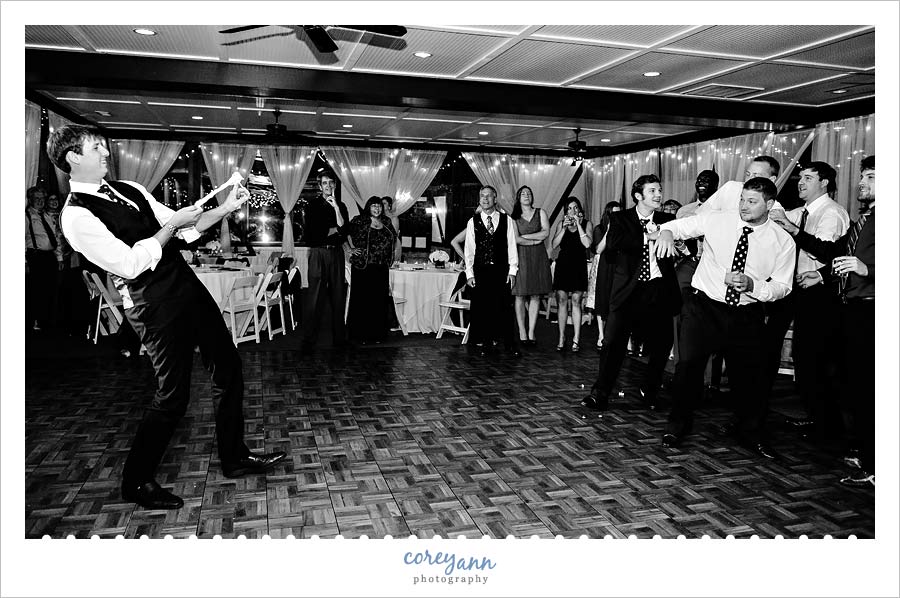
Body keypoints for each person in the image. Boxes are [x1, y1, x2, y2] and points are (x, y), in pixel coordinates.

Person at [50, 124, 285, 510]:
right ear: (73, 157)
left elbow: (184, 230)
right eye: (96, 148)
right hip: (152, 306)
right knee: (173, 396)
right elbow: (130, 264)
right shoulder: (76, 217)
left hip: (187, 288)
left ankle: (235, 456)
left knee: (228, 367)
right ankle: (135, 481)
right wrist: (173, 225)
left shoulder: (130, 189)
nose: (106, 153)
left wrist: (224, 208)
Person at [655, 177, 795, 459]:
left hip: (746, 313)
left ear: (769, 204)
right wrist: (667, 232)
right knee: (688, 367)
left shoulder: (782, 241)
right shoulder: (717, 219)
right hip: (703, 307)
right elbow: (678, 226)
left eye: (752, 201)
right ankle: (678, 424)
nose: (743, 206)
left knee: (749, 377)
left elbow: (783, 286)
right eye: (742, 199)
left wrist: (754, 285)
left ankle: (750, 432)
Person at [771, 156, 875, 486]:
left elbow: (854, 261)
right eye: (864, 176)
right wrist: (822, 271)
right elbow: (838, 254)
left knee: (858, 382)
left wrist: (869, 270)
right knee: (853, 381)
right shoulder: (866, 219)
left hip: (867, 308)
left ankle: (867, 456)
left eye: (871, 177)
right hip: (851, 306)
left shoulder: (843, 214)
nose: (862, 183)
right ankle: (864, 453)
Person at [581, 175, 680, 411]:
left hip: (658, 289)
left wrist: (677, 242)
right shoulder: (620, 218)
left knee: (662, 343)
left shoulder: (668, 220)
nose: (658, 194)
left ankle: (650, 390)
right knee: (612, 343)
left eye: (659, 190)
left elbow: (686, 244)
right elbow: (616, 242)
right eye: (652, 190)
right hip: (628, 292)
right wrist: (649, 236)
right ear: (638, 195)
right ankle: (600, 393)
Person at [768, 162, 850, 443]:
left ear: (824, 182)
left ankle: (830, 429)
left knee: (815, 360)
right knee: (804, 359)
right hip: (798, 291)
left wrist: (792, 229)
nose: (801, 182)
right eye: (800, 177)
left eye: (808, 178)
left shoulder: (832, 213)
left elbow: (826, 252)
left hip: (821, 295)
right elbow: (777, 219)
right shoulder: (801, 212)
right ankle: (818, 419)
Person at [464, 185, 520, 357]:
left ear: (495, 199)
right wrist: (469, 274)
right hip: (481, 271)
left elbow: (512, 246)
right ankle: (486, 344)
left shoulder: (506, 220)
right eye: (482, 196)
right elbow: (469, 250)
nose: (485, 199)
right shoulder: (473, 221)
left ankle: (510, 345)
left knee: (505, 308)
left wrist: (513, 270)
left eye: (489, 196)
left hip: (501, 271)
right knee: (483, 309)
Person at [300, 171, 350, 352]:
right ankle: (309, 340)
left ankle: (339, 339)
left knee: (338, 296)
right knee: (314, 297)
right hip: (318, 253)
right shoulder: (312, 205)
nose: (328, 186)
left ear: (334, 185)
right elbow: (311, 234)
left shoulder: (341, 205)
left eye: (331, 183)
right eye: (325, 183)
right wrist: (334, 230)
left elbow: (345, 231)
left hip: (336, 253)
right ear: (320, 186)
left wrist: (336, 209)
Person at [346, 196, 397, 344]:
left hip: (381, 267)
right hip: (363, 266)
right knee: (363, 302)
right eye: (374, 206)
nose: (377, 209)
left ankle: (377, 335)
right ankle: (360, 335)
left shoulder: (386, 222)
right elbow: (344, 233)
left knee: (379, 302)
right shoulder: (359, 220)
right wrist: (350, 249)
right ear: (368, 207)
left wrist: (390, 255)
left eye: (379, 206)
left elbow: (394, 238)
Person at [550, 197, 593, 352]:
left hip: (578, 264)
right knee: (561, 299)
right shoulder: (561, 224)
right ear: (566, 211)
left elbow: (587, 244)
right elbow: (554, 245)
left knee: (576, 300)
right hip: (563, 264)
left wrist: (579, 225)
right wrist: (563, 228)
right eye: (569, 208)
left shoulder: (587, 224)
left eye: (575, 208)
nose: (573, 211)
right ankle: (561, 337)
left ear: (579, 210)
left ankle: (576, 338)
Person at [511, 185, 551, 346]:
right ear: (518, 198)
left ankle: (531, 331)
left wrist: (525, 236)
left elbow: (546, 232)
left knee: (535, 295)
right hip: (521, 257)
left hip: (538, 257)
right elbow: (515, 239)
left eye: (529, 193)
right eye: (523, 193)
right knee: (520, 295)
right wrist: (534, 240)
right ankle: (522, 331)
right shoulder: (513, 217)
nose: (526, 195)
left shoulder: (541, 212)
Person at [25, 186, 65, 332]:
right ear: (30, 200)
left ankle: (48, 322)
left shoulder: (47, 216)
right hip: (35, 257)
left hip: (49, 257)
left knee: (51, 290)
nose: (40, 201)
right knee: (36, 291)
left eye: (42, 198)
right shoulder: (26, 217)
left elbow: (55, 238)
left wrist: (59, 258)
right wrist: (24, 262)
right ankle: (34, 322)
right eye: (37, 198)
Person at [586, 201, 621, 350]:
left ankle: (616, 336)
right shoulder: (599, 229)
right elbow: (598, 249)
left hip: (618, 266)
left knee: (616, 300)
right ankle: (601, 335)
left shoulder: (623, 230)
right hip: (603, 266)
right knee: (601, 299)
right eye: (613, 213)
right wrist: (609, 231)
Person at [381, 195, 402, 263]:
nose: (382, 205)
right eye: (381, 203)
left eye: (384, 203)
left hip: (393, 244)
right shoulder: (379, 217)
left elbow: (394, 233)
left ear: (389, 205)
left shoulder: (393, 218)